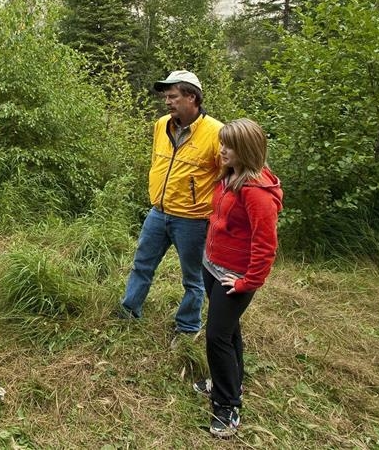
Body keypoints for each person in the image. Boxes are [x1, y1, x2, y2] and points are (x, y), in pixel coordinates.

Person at [116, 70, 223, 338]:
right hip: (158, 212)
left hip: (193, 219)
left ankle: (187, 328)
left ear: (192, 97)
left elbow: (226, 178)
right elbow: (158, 161)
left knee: (193, 278)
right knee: (142, 264)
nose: (167, 101)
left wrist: (218, 217)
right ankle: (129, 312)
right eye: (166, 96)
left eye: (173, 96)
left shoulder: (216, 132)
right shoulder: (162, 124)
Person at [194, 118, 283, 438]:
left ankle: (227, 404)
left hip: (234, 277)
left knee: (216, 337)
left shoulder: (257, 193)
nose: (221, 150)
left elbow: (265, 245)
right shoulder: (229, 177)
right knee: (229, 333)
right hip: (213, 266)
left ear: (246, 150)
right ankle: (229, 381)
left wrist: (248, 282)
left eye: (228, 146)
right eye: (222, 143)